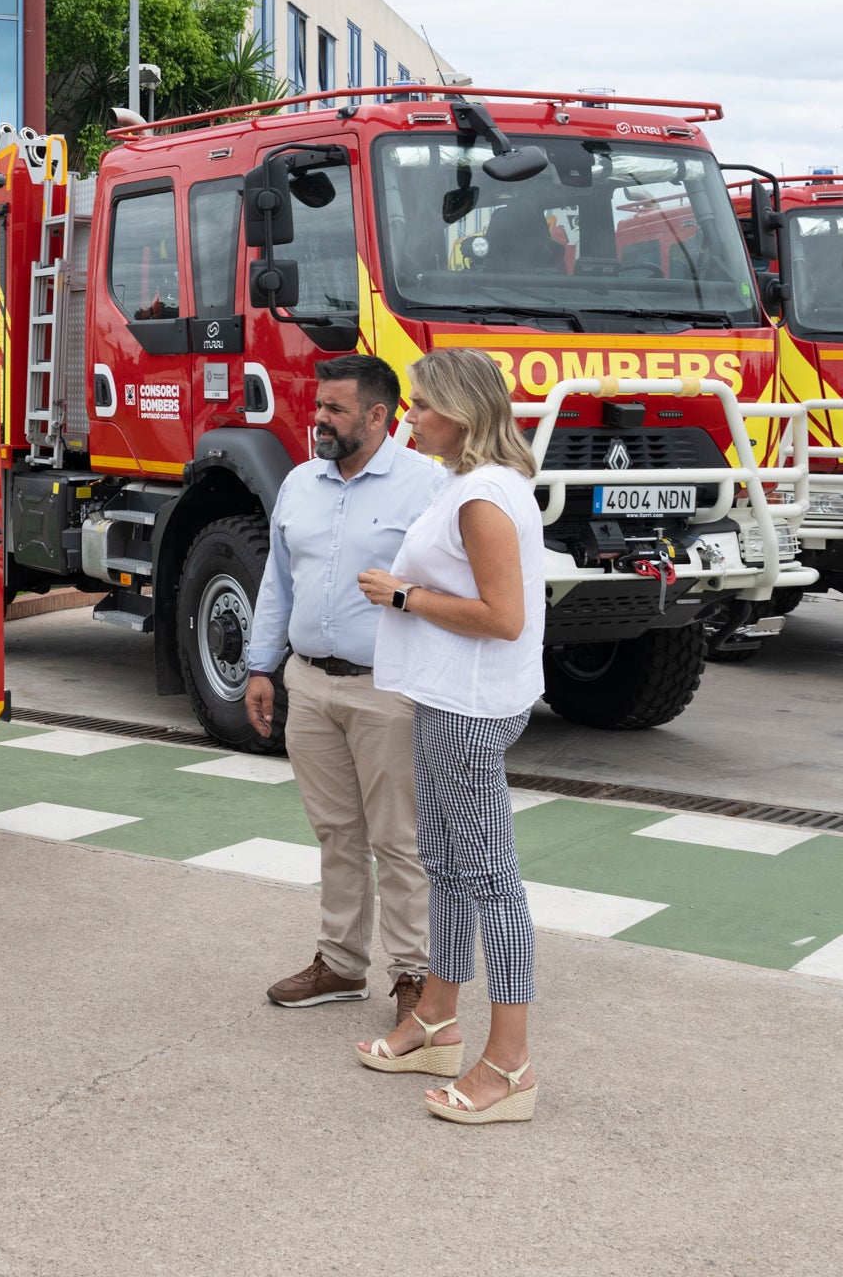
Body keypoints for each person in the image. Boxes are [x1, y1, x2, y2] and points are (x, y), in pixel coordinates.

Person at [350, 346, 548, 1125]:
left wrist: (404, 595)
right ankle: (436, 1020)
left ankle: (510, 1063)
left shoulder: (482, 496)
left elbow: (503, 619)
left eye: (422, 406)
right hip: (445, 698)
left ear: (463, 412)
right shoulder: (465, 483)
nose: (409, 418)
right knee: (444, 862)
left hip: (470, 706)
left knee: (490, 878)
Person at [241, 352, 446, 1030]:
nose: (318, 419)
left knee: (400, 841)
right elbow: (277, 582)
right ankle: (339, 963)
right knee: (335, 832)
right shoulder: (299, 484)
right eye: (318, 405)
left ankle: (414, 977)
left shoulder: (427, 487)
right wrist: (261, 668)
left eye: (334, 408)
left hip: (387, 690)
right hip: (308, 683)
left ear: (379, 415)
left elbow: (455, 589)